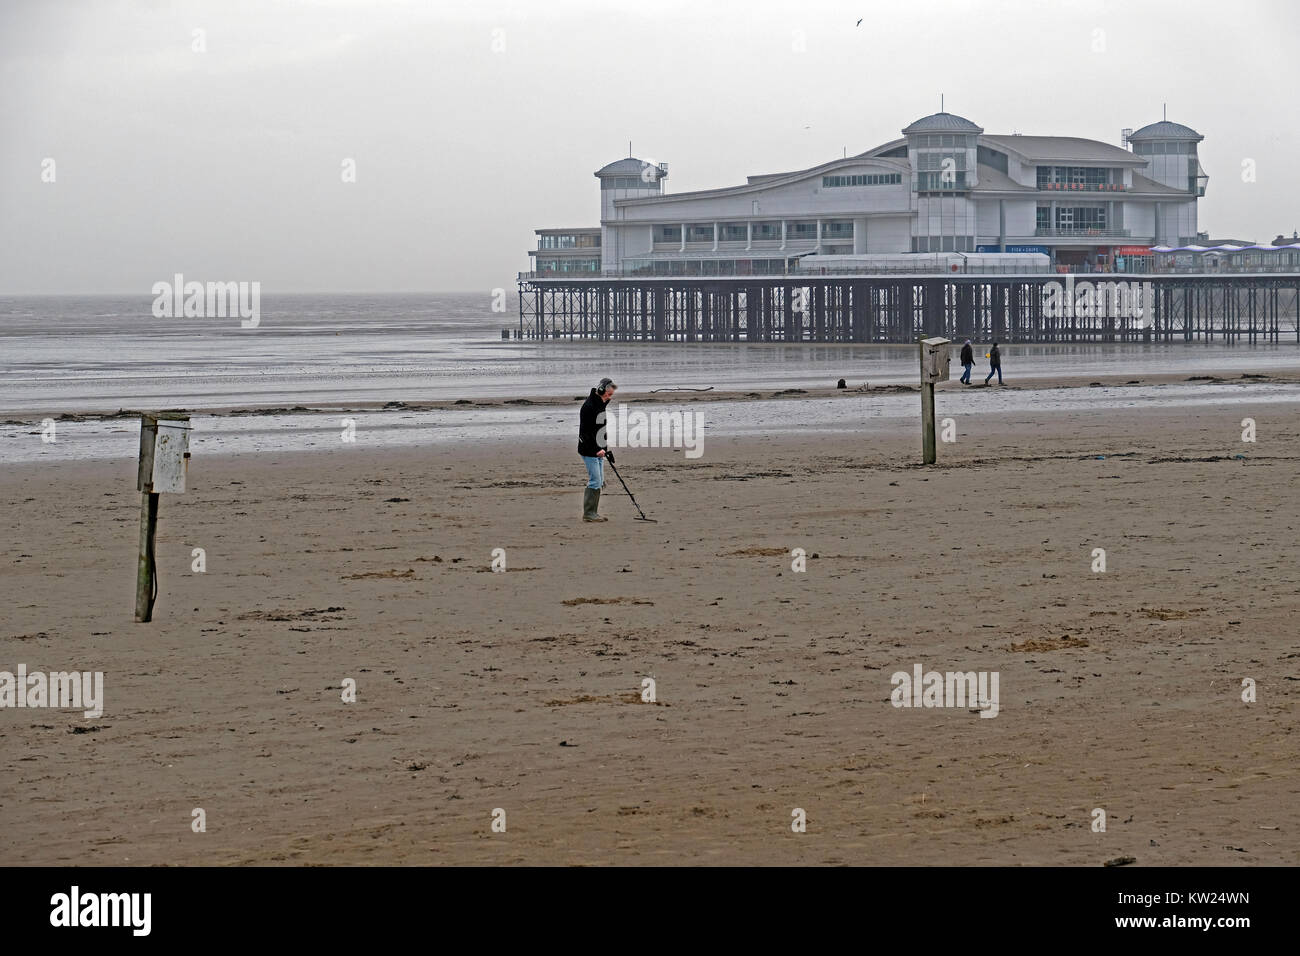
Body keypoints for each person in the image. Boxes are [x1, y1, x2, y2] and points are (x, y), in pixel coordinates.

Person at [578, 377, 617, 522]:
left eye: (611, 395)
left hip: (598, 449)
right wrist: (596, 450)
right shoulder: (589, 407)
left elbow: (600, 431)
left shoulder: (600, 404)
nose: (609, 397)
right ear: (601, 390)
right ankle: (589, 514)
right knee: (595, 481)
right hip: (589, 450)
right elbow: (585, 433)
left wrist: (604, 450)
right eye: (608, 394)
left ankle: (593, 512)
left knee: (600, 481)